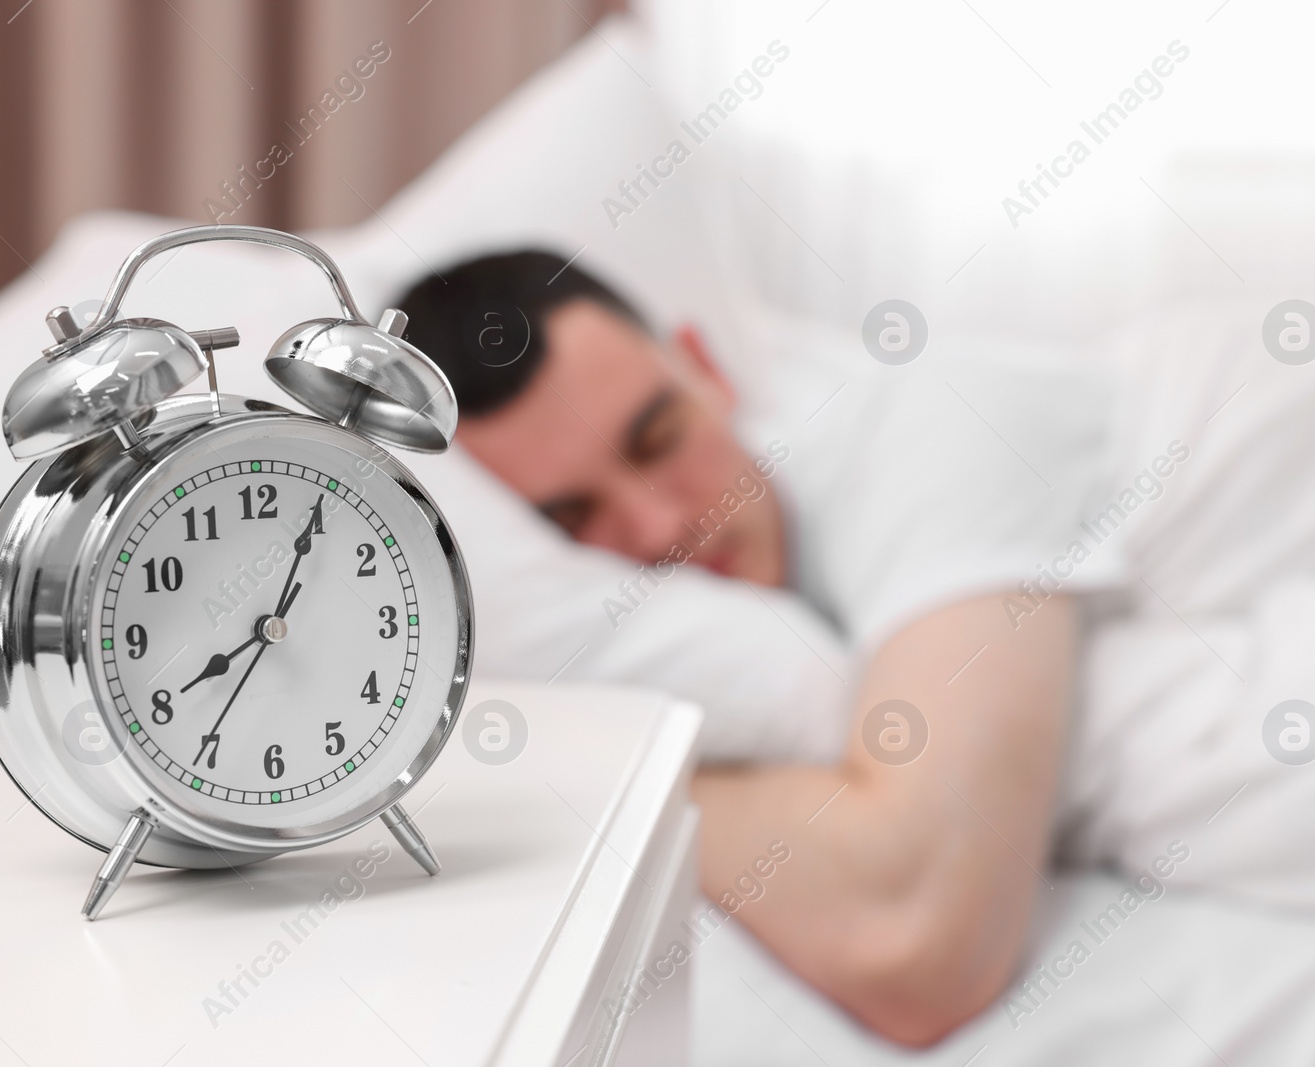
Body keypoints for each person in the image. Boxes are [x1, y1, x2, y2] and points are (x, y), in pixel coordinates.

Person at [395, 250, 1109, 1045]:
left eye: (658, 438)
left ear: (707, 368)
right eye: (572, 519)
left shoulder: (948, 425)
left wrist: (598, 764)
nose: (658, 526)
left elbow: (919, 941)